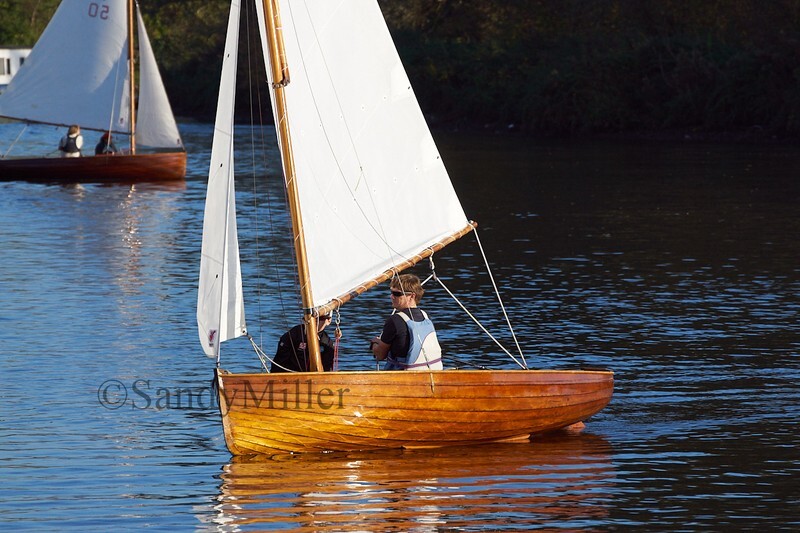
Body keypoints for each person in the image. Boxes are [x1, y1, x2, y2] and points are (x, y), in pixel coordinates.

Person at [370, 273, 443, 370]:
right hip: (433, 373)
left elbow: (380, 355)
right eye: (391, 292)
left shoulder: (394, 320)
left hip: (405, 377)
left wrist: (374, 344)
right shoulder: (425, 316)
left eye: (396, 294)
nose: (391, 297)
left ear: (412, 296)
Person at [271, 314, 335, 372]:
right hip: (289, 378)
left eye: (320, 318)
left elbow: (327, 370)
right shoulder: (293, 335)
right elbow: (278, 365)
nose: (315, 322)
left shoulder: (328, 343)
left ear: (328, 321)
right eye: (312, 318)